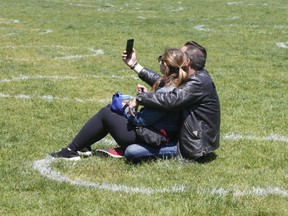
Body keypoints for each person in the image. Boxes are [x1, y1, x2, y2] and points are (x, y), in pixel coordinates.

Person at [50, 48, 188, 161]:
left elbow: (141, 120)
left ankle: (70, 151)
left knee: (106, 113)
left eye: (160, 60)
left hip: (149, 138)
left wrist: (127, 107)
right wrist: (147, 97)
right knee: (109, 109)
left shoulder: (165, 91)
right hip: (157, 134)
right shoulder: (180, 87)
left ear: (165, 65)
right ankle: (82, 146)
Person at [122, 41, 221, 161]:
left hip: (191, 146)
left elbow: (170, 100)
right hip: (184, 136)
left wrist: (141, 98)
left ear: (187, 62)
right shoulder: (192, 75)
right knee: (125, 98)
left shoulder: (198, 82)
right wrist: (134, 65)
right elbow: (164, 82)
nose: (176, 54)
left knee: (132, 151)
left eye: (180, 54)